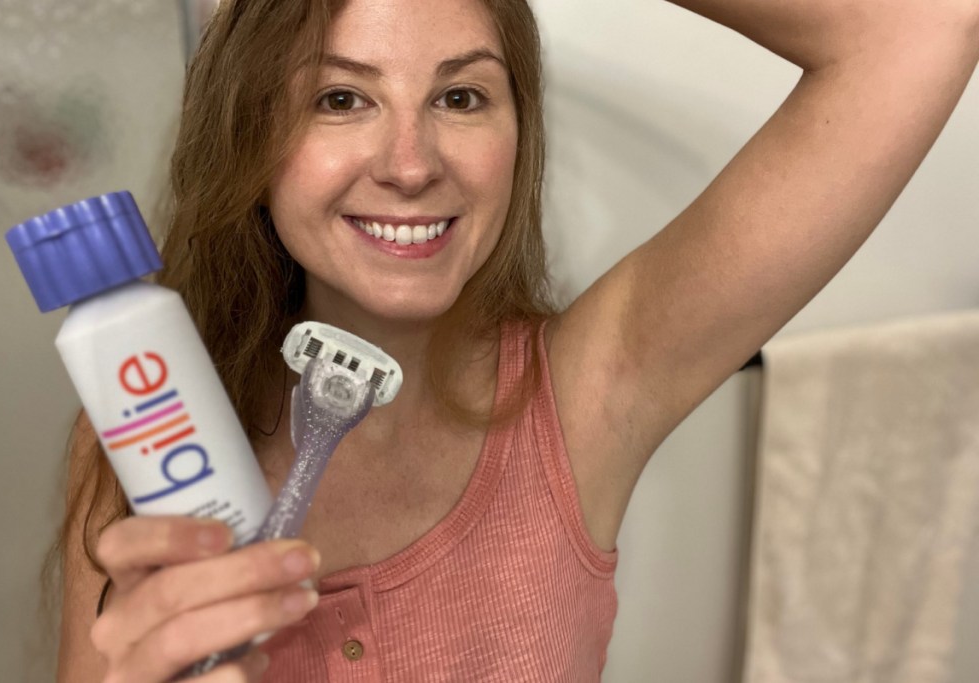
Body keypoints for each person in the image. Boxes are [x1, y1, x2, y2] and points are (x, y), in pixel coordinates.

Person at [54, 0, 979, 680]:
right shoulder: (148, 422)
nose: (410, 164)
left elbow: (926, 25)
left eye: (461, 96)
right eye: (341, 99)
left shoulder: (586, 391)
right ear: (249, 135)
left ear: (517, 133)